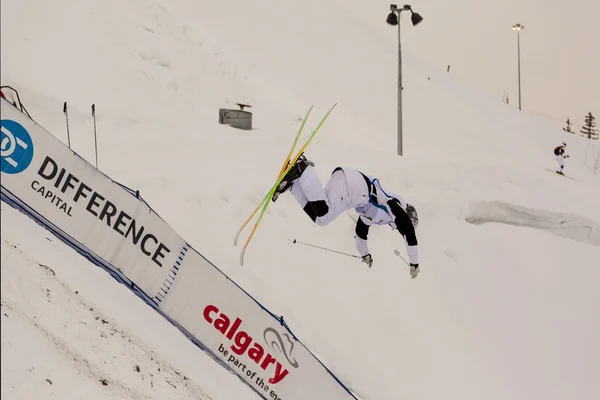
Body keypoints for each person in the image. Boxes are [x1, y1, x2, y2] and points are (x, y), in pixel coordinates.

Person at [272, 154, 420, 279]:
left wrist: (365, 254)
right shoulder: (394, 204)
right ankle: (302, 169)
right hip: (353, 187)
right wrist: (414, 262)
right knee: (324, 212)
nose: (396, 228)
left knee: (321, 219)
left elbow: (361, 231)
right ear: (408, 214)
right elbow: (406, 227)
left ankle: (293, 185)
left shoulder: (379, 215)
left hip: (350, 189)